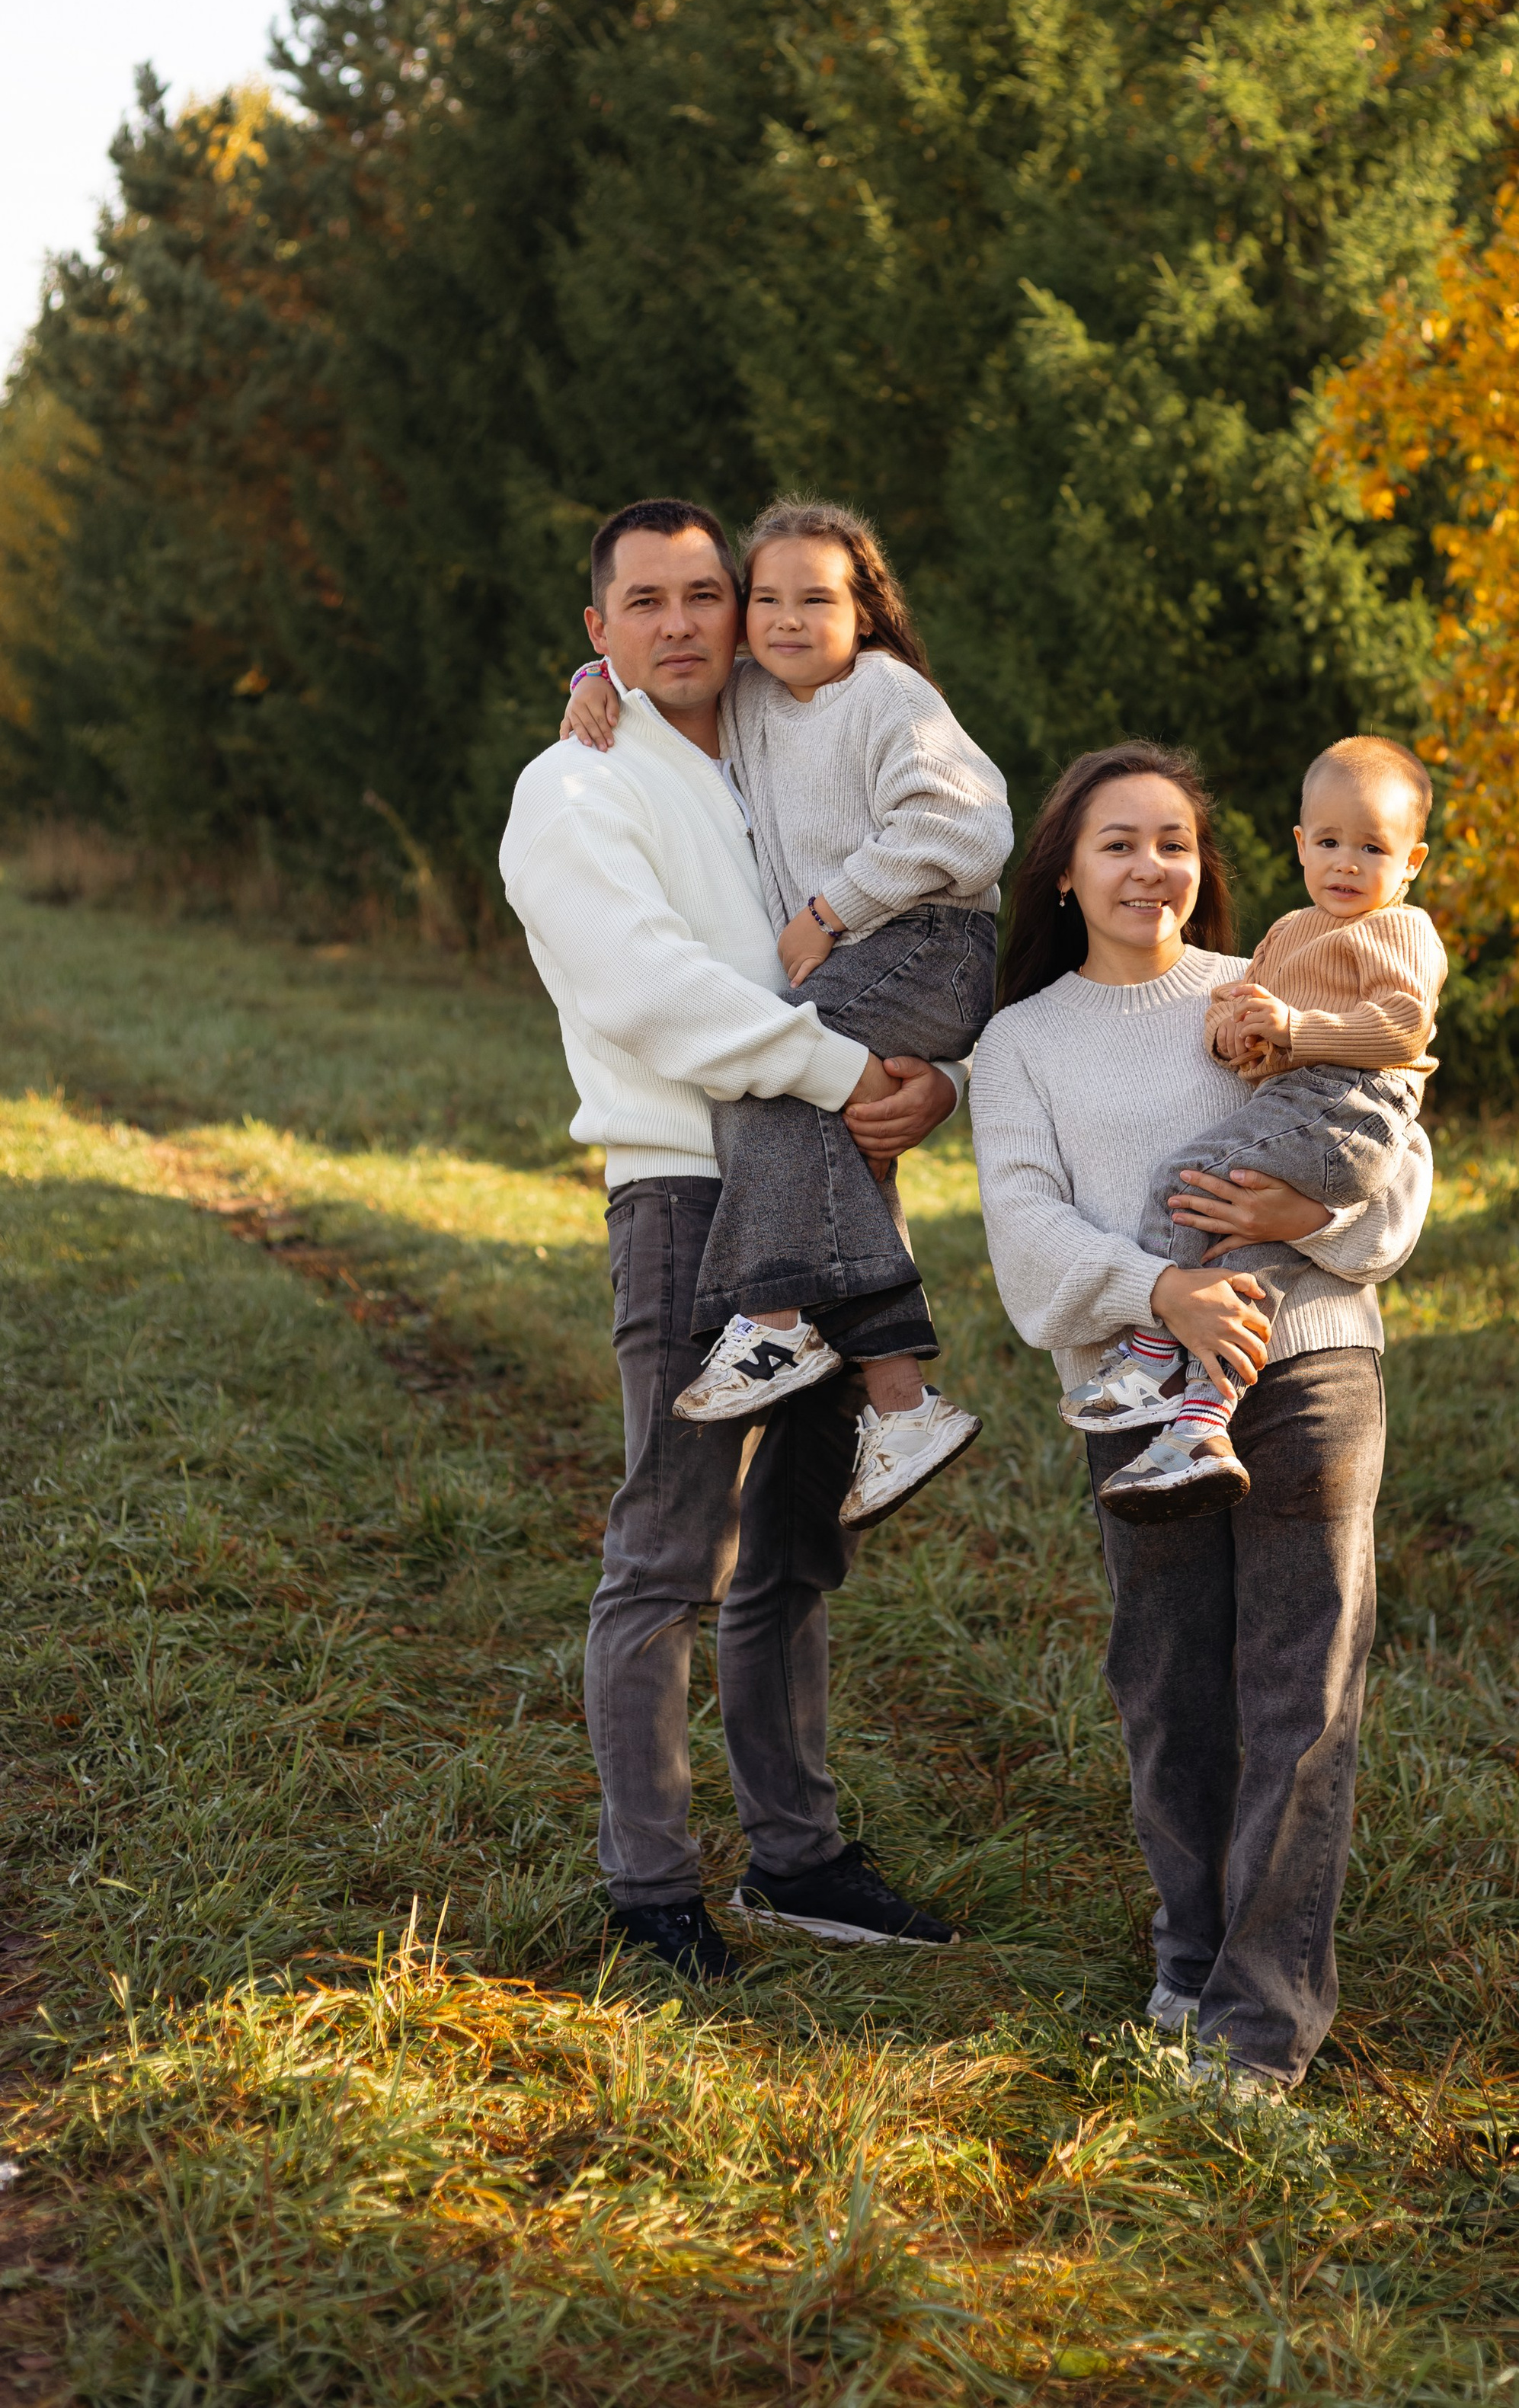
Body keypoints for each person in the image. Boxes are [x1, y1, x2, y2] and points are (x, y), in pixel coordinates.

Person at [500, 497, 962, 1983]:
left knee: (797, 1542)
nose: (684, 624)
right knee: (669, 1546)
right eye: (646, 603)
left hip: (829, 1184)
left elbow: (900, 911)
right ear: (599, 631)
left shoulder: (784, 756)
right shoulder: (570, 793)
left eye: (705, 594)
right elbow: (649, 992)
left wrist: (924, 1079)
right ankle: (648, 1892)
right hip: (687, 1200)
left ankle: (797, 1855)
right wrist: (842, 1073)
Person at [968, 741, 1432, 2092]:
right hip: (1138, 1383)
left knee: (1302, 1686)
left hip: (1314, 1363)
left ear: (1207, 866)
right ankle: (1193, 1951)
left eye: (1173, 841)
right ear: (1064, 868)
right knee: (1170, 1685)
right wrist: (1161, 1288)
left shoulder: (1277, 984)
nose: (1150, 866)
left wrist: (1314, 1216)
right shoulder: (1023, 1043)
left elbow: (1397, 1168)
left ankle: (1263, 2019)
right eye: (1119, 841)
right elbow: (1024, 1241)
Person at [561, 495, 1010, 1530]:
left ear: (867, 612)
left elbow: (973, 828)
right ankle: (903, 1405)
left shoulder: (888, 695)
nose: (787, 620)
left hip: (931, 946)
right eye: (766, 599)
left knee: (765, 1072)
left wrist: (829, 907)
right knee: (794, 1097)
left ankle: (772, 1321)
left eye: (817, 599)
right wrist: (591, 684)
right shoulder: (758, 693)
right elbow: (657, 670)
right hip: (874, 961)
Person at [1063, 734, 1446, 1520]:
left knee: (1185, 1179)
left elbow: (1404, 1029)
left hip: (1354, 1103)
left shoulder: (1400, 930)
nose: (1346, 863)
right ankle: (1203, 1423)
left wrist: (1296, 1032)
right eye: (1330, 842)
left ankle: (1154, 1355)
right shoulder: (1285, 932)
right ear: (1300, 845)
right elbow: (1241, 1023)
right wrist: (1235, 1037)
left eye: (1372, 847)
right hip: (1302, 1098)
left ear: (1411, 863)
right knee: (1243, 1250)